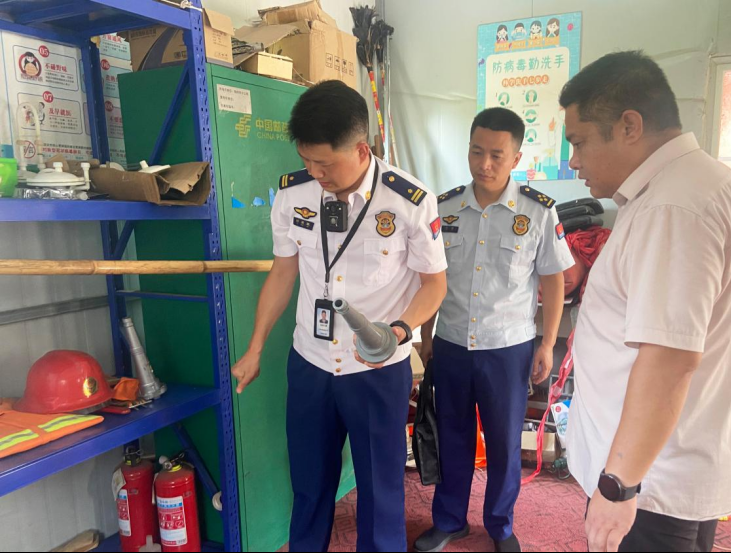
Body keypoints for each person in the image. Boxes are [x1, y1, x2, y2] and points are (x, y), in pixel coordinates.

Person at [231, 80, 448, 552]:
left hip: (377, 369)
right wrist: (255, 347)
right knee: (309, 486)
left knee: (380, 492)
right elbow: (283, 272)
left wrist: (399, 331)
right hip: (310, 362)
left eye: (324, 163)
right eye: (306, 160)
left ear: (360, 149)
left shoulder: (409, 201)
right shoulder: (293, 194)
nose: (315, 172)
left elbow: (435, 284)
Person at [560, 50, 731, 553]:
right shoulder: (705, 181)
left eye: (579, 141)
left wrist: (618, 485)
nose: (574, 160)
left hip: (649, 483)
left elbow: (669, 359)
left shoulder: (672, 207)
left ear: (629, 126)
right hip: (669, 465)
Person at [414, 107, 574, 553]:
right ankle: (449, 521)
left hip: (508, 349)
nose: (484, 164)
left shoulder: (538, 212)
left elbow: (553, 281)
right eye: (476, 152)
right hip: (450, 344)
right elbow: (430, 279)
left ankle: (500, 525)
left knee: (504, 443)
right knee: (453, 437)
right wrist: (425, 337)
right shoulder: (444, 208)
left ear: (516, 158)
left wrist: (547, 343)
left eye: (496, 156)